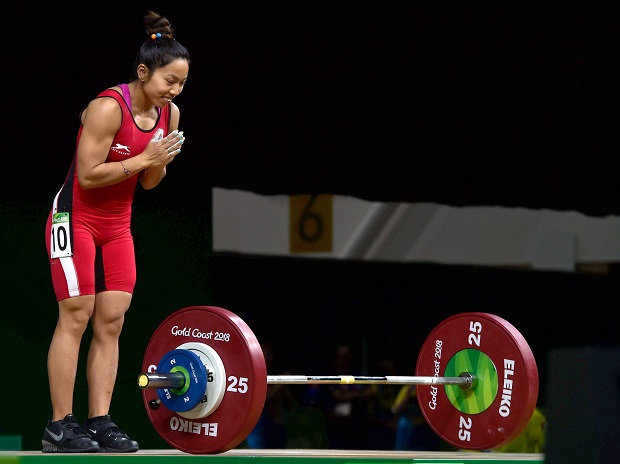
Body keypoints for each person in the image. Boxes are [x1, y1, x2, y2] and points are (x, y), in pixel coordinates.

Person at [41, 11, 190, 453]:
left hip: (117, 225)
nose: (175, 91)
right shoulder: (108, 107)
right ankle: (59, 426)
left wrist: (160, 161)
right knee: (77, 314)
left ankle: (99, 421)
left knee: (112, 321)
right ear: (143, 73)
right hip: (74, 218)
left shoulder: (170, 114)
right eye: (169, 80)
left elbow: (147, 183)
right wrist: (146, 159)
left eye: (181, 83)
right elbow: (88, 176)